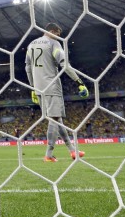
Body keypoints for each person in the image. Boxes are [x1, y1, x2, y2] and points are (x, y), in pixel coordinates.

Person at [26, 23, 89, 162]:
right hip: (51, 86)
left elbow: (28, 67)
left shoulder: (31, 44)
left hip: (38, 88)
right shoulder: (53, 43)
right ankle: (48, 155)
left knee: (57, 120)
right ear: (52, 31)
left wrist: (32, 87)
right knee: (54, 119)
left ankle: (72, 151)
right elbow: (64, 64)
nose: (59, 36)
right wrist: (79, 82)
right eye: (58, 33)